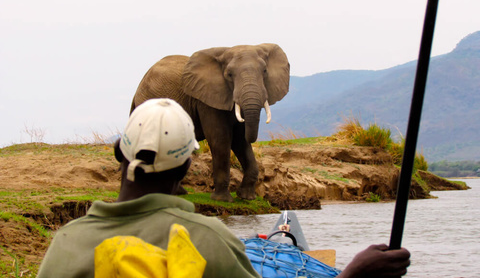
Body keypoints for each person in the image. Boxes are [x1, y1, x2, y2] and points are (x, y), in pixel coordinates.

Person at [37, 98, 410, 278]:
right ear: (186, 165)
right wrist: (352, 276)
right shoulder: (206, 239)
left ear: (119, 152)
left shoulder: (67, 243)